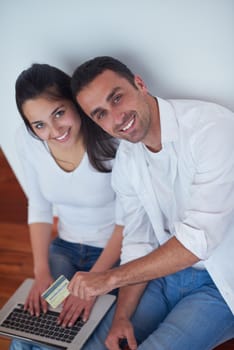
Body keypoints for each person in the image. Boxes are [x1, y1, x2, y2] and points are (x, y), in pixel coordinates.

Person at [68, 56, 234, 350]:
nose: (116, 118)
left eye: (117, 98)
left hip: (220, 282)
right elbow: (138, 240)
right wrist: (122, 316)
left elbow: (199, 240)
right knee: (95, 346)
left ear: (139, 84)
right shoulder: (127, 161)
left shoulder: (212, 128)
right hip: (163, 273)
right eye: (100, 114)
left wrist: (109, 279)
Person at [10, 63, 123, 350]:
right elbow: (39, 205)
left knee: (70, 333)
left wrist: (95, 283)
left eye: (58, 113)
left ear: (74, 102)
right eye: (39, 125)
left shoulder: (112, 142)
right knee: (31, 330)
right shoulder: (29, 143)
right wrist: (41, 272)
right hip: (66, 251)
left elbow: (129, 222)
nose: (54, 130)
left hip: (113, 257)